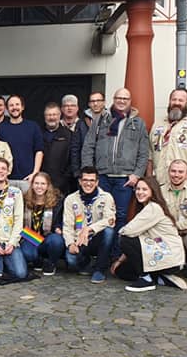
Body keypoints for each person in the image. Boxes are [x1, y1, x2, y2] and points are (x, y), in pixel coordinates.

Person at [80, 87, 148, 253]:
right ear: (114, 99)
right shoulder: (101, 120)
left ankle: (116, 252)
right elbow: (89, 146)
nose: (122, 101)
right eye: (119, 98)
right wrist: (88, 172)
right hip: (102, 176)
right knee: (99, 215)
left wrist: (137, 174)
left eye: (125, 98)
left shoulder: (137, 123)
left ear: (130, 101)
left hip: (125, 178)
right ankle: (99, 251)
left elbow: (144, 151)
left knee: (121, 216)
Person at [118, 176, 187, 292]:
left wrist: (122, 233)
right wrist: (121, 260)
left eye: (144, 189)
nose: (140, 192)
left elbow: (127, 231)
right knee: (122, 271)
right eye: (138, 189)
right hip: (158, 249)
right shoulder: (146, 207)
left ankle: (146, 280)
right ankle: (159, 277)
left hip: (169, 255)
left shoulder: (153, 208)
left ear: (152, 191)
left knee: (124, 239)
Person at [149, 88, 187, 187]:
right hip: (160, 183)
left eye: (181, 100)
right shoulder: (158, 124)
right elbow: (150, 154)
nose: (176, 103)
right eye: (174, 99)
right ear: (169, 101)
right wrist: (149, 179)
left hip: (185, 183)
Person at [63, 167, 115, 283]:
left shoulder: (106, 197)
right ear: (80, 181)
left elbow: (110, 220)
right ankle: (86, 262)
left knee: (109, 231)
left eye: (92, 180)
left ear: (97, 182)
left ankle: (99, 269)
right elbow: (67, 225)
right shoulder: (71, 199)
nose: (88, 183)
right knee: (71, 261)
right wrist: (70, 243)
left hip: (97, 239)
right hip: (79, 240)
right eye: (85, 180)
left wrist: (90, 229)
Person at [20, 172, 64, 276]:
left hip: (48, 238)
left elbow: (60, 220)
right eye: (36, 183)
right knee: (28, 253)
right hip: (29, 237)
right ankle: (37, 261)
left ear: (48, 185)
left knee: (56, 241)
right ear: (32, 185)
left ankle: (51, 263)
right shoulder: (23, 199)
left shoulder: (57, 201)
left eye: (43, 184)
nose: (39, 186)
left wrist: (58, 228)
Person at [0, 95, 43, 192]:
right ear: (7, 109)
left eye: (17, 104)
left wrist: (35, 173)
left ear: (22, 107)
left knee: (29, 206)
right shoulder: (0, 128)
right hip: (7, 179)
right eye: (11, 105)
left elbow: (39, 151)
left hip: (28, 178)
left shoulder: (33, 126)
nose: (14, 108)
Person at [41, 102, 74, 194]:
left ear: (60, 115)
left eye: (54, 114)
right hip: (40, 184)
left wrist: (64, 178)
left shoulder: (69, 135)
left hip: (61, 185)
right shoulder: (38, 133)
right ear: (44, 116)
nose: (51, 117)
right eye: (49, 115)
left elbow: (73, 159)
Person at [61, 94, 88, 180]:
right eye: (66, 106)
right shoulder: (57, 126)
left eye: (72, 105)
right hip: (60, 173)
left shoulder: (84, 126)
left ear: (77, 108)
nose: (69, 108)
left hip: (78, 172)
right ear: (61, 109)